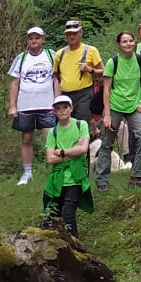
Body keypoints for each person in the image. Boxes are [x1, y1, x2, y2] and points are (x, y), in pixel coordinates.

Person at [6, 26, 57, 186]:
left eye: (37, 38)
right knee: (26, 138)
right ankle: (27, 172)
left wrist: (58, 102)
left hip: (47, 104)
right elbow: (15, 83)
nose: (34, 41)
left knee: (51, 137)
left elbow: (57, 79)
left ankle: (55, 170)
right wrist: (12, 106)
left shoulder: (52, 56)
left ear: (43, 39)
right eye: (31, 38)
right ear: (27, 40)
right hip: (26, 105)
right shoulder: (21, 58)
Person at [105, 30, 141, 188]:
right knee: (107, 142)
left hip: (134, 106)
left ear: (134, 42)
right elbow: (106, 89)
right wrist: (107, 114)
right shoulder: (113, 62)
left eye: (130, 41)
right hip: (115, 106)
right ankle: (102, 180)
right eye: (124, 41)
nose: (128, 44)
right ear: (119, 45)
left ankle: (138, 175)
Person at [42, 94, 94, 234]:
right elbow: (50, 158)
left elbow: (83, 149)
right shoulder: (53, 132)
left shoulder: (80, 125)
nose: (62, 110)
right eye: (58, 108)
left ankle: (75, 244)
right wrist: (72, 153)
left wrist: (62, 152)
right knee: (52, 214)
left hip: (75, 178)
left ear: (71, 108)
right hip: (58, 179)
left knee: (68, 213)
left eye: (65, 107)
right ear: (54, 111)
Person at [54, 20, 105, 127]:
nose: (72, 36)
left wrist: (90, 69)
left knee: (82, 125)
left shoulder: (91, 50)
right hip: (65, 95)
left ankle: (84, 143)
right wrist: (57, 99)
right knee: (65, 126)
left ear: (81, 33)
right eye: (69, 34)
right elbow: (57, 78)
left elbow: (103, 72)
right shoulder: (60, 54)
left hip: (84, 94)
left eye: (75, 33)